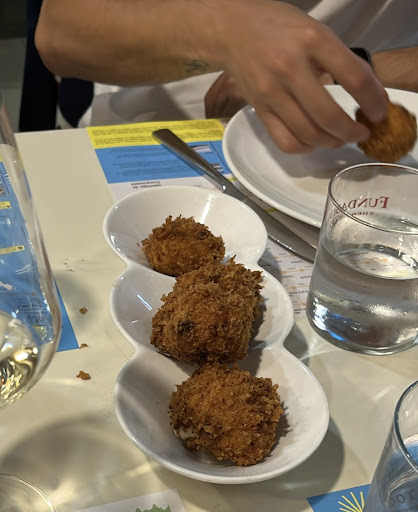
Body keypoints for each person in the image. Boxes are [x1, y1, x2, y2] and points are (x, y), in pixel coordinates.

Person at [34, 0, 418, 154]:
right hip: (155, 135)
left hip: (369, 154)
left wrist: (355, 69)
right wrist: (223, 34)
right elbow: (59, 38)